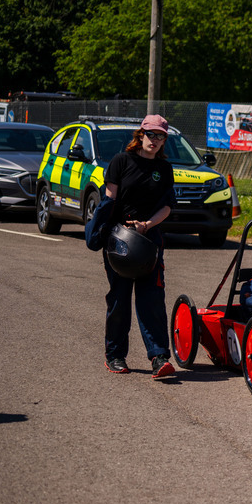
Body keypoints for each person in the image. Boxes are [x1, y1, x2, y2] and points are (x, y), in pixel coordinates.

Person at [102, 115, 176, 378]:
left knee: (152, 299)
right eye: (151, 134)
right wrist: (109, 229)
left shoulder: (164, 169)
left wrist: (147, 224)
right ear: (140, 134)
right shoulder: (121, 162)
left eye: (160, 136)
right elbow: (109, 199)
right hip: (120, 239)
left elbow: (167, 206)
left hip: (149, 241)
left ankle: (159, 357)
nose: (155, 141)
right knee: (119, 299)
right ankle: (115, 355)